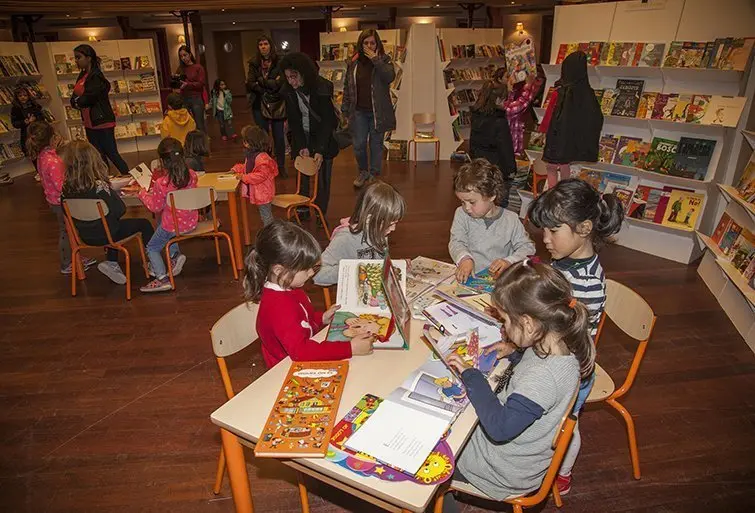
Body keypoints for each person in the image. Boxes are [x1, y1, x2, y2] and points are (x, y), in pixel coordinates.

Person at [440, 260, 593, 511]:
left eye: (505, 320)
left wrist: (472, 375)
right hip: (513, 457)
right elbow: (534, 370)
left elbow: (500, 428)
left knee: (425, 464)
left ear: (529, 323)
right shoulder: (558, 345)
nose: (503, 327)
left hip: (499, 472)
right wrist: (514, 352)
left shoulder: (543, 378)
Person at [527, 178, 624, 494]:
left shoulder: (586, 285)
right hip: (553, 354)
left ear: (583, 229)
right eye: (544, 231)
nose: (545, 239)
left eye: (553, 231)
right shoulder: (569, 259)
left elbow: (565, 341)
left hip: (570, 369)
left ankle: (562, 474)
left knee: (566, 423)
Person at [244, 220, 375, 368]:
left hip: (301, 357)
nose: (312, 273)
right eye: (306, 269)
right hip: (285, 370)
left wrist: (321, 318)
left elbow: (302, 323)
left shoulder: (290, 286)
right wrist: (350, 348)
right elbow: (301, 351)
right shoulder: (278, 307)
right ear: (279, 270)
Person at [61, 140, 154, 285]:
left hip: (85, 236)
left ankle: (112, 264)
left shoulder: (66, 188)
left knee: (107, 225)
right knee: (144, 224)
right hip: (109, 234)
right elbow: (120, 210)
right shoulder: (99, 186)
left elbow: (66, 212)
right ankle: (153, 263)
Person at [26, 121, 97, 275]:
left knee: (69, 230)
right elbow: (61, 186)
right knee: (66, 231)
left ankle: (75, 256)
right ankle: (67, 263)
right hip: (61, 202)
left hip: (55, 200)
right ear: (52, 138)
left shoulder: (43, 156)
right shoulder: (52, 161)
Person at [449, 158, 535, 283]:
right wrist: (464, 259)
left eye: (472, 202)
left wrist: (508, 261)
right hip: (468, 277)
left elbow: (527, 248)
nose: (467, 208)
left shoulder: (511, 219)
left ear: (491, 196)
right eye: (463, 202)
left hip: (499, 281)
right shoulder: (461, 214)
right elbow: (456, 242)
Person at [279, 52, 339, 216]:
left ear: (304, 73)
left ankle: (321, 212)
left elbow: (327, 122)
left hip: (322, 136)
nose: (291, 81)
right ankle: (303, 208)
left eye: (294, 76)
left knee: (323, 177)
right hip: (303, 134)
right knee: (303, 173)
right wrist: (302, 145)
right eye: (288, 77)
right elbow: (294, 121)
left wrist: (319, 149)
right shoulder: (288, 90)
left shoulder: (321, 87)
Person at [314, 180, 405, 286]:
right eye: (389, 225)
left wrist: (395, 265)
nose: (393, 229)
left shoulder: (381, 232)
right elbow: (317, 274)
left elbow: (378, 263)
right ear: (370, 219)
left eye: (395, 223)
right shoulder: (345, 238)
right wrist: (352, 270)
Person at [136, 138, 198, 293]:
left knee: (152, 247)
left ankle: (162, 278)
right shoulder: (191, 175)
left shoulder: (161, 183)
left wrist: (142, 194)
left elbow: (155, 207)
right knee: (163, 223)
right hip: (191, 222)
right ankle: (174, 254)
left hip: (173, 226)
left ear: (162, 161)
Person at [539, 51, 603, 188]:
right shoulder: (588, 93)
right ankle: (564, 191)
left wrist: (544, 130)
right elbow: (595, 117)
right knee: (564, 164)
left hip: (558, 137)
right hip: (572, 140)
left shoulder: (561, 91)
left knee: (551, 166)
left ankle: (553, 193)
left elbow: (550, 114)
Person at [342, 29, 396, 188]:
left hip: (377, 112)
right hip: (358, 111)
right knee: (358, 145)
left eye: (372, 43)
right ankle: (363, 171)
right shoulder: (354, 62)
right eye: (366, 43)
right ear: (361, 44)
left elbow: (389, 77)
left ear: (377, 44)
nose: (369, 46)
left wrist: (376, 60)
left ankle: (374, 174)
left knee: (376, 144)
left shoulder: (384, 61)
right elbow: (347, 86)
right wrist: (345, 109)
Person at [69, 44, 129, 175]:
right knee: (98, 155)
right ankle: (106, 181)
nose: (76, 61)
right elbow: (74, 99)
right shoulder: (82, 75)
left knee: (111, 153)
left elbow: (88, 98)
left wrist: (78, 101)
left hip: (102, 121)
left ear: (89, 58)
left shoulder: (96, 76)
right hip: (90, 122)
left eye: (78, 57)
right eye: (75, 58)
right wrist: (78, 101)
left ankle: (130, 177)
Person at [468, 79, 517, 207]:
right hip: (498, 167)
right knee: (500, 201)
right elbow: (505, 146)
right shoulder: (499, 120)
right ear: (498, 99)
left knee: (482, 197)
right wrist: (511, 168)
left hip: (480, 164)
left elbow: (472, 141)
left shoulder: (476, 115)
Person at [246, 35, 287, 178]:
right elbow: (250, 84)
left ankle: (281, 166)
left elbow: (281, 83)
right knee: (262, 137)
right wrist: (268, 84)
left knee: (279, 137)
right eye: (260, 44)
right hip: (259, 103)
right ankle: (267, 165)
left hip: (277, 103)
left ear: (270, 45)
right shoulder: (253, 63)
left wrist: (261, 82)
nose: (263, 46)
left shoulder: (280, 61)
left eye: (266, 44)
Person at [232, 125, 278, 227]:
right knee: (264, 215)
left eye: (246, 141)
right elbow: (248, 167)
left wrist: (244, 177)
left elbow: (260, 176)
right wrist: (237, 168)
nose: (244, 143)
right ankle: (270, 233)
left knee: (266, 216)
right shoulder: (252, 155)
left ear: (252, 143)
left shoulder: (262, 158)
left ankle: (271, 234)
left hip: (263, 193)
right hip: (259, 192)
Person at [502, 75, 544, 156]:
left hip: (521, 124)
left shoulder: (526, 88)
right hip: (514, 127)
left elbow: (518, 105)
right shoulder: (514, 87)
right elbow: (512, 108)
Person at [177, 45, 207, 134]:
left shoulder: (198, 67)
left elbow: (201, 84)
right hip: (184, 98)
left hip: (196, 98)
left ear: (190, 54)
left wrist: (188, 84)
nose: (183, 58)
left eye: (185, 55)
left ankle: (202, 145)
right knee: (185, 124)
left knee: (199, 124)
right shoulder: (180, 69)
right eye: (181, 56)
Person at [10, 85, 43, 165]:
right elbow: (15, 123)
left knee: (42, 152)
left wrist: (35, 119)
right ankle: (38, 171)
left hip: (37, 132)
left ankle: (45, 170)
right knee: (32, 154)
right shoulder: (15, 109)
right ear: (16, 97)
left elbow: (42, 118)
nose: (23, 97)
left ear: (29, 95)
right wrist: (24, 122)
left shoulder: (34, 106)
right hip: (26, 134)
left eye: (25, 95)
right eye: (20, 96)